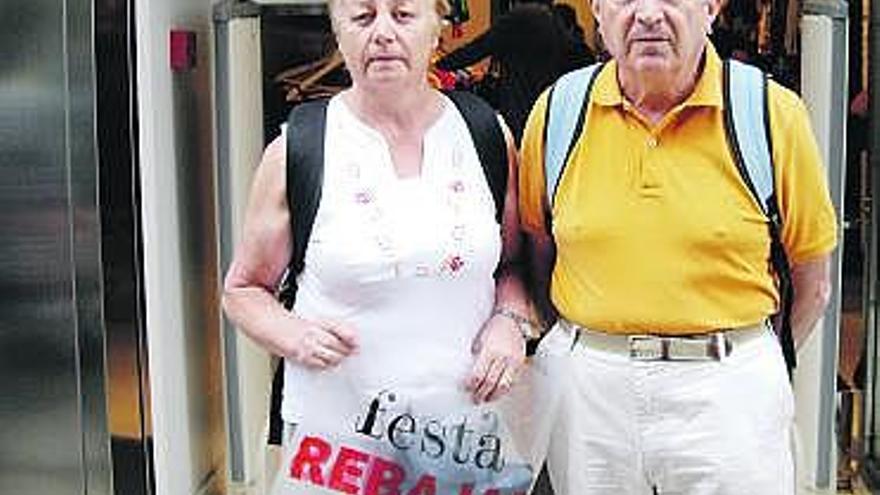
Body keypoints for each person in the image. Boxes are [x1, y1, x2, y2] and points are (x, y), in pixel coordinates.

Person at [518, 0, 838, 491]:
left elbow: (812, 284)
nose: (647, 14)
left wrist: (742, 355)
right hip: (590, 397)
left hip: (727, 393)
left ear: (711, 8)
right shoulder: (559, 111)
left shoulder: (771, 114)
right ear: (598, 11)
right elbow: (539, 252)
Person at [222, 0, 536, 488]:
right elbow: (242, 290)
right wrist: (294, 335)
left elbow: (512, 266)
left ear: (437, 29)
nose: (383, 33)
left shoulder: (484, 135)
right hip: (340, 442)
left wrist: (510, 323)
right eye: (363, 17)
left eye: (403, 15)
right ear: (338, 34)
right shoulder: (301, 147)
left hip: (461, 434)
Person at [436, 0, 593, 143]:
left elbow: (477, 49)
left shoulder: (517, 20)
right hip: (549, 109)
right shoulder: (554, 21)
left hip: (519, 108)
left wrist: (440, 65)